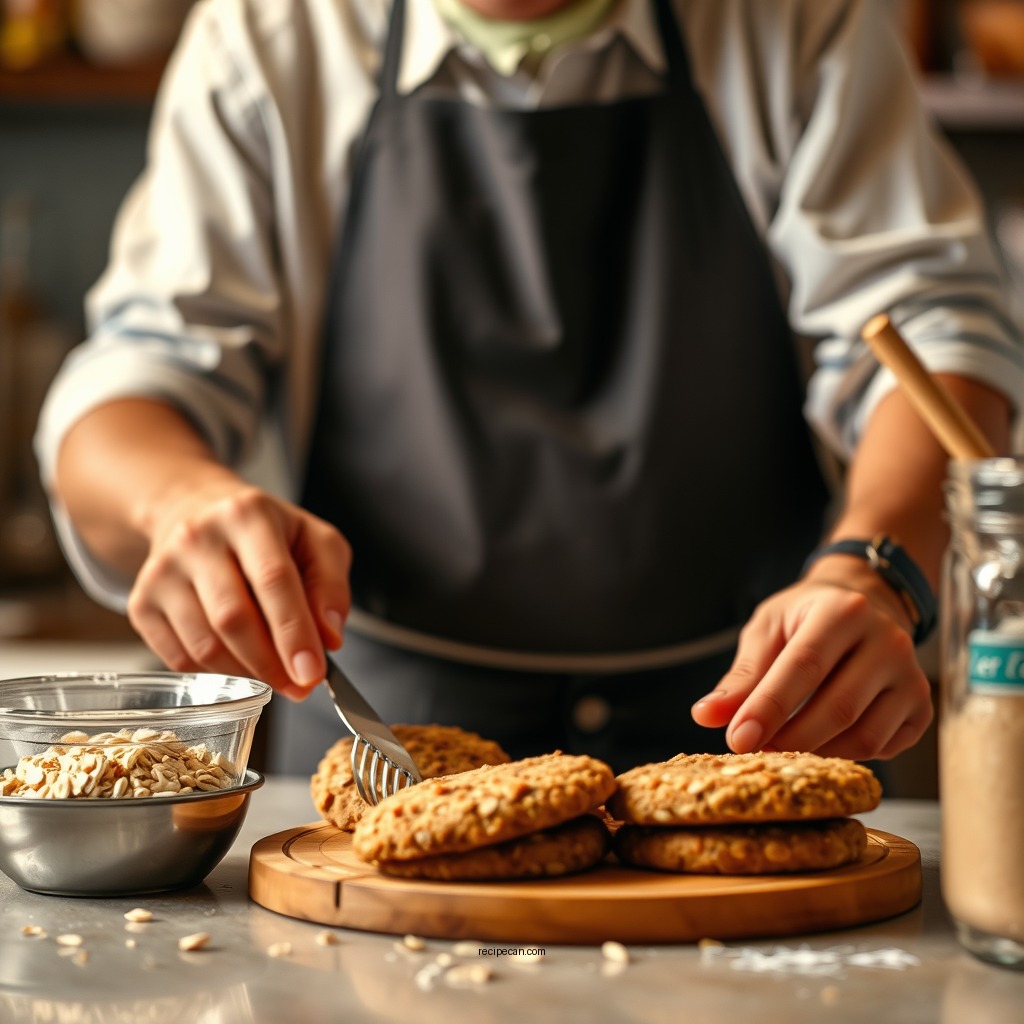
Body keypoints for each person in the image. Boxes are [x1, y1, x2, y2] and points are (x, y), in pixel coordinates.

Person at [36, 0, 1021, 775]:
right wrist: (178, 501)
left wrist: (874, 569)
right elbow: (135, 377)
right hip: (384, 746)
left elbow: (936, 343)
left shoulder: (797, 22)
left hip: (769, 714)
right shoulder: (268, 36)